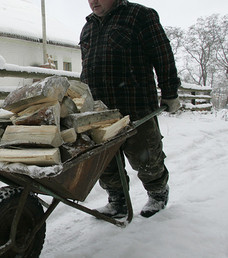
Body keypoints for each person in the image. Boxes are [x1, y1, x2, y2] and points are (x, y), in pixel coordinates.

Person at [79, 0, 181, 218]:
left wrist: (170, 92)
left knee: (145, 157)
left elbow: (162, 55)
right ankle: (118, 201)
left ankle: (157, 194)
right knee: (104, 161)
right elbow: (86, 67)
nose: (93, 1)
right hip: (100, 111)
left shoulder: (139, 15)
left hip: (135, 105)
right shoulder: (88, 27)